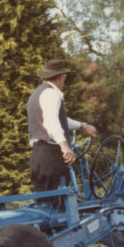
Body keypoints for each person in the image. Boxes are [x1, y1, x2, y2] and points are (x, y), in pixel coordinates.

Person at [27, 59, 97, 193]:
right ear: (60, 76)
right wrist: (65, 146)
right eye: (64, 77)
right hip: (52, 156)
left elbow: (61, 120)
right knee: (61, 204)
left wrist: (83, 126)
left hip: (38, 157)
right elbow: (51, 121)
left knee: (44, 203)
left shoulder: (36, 94)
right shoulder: (52, 94)